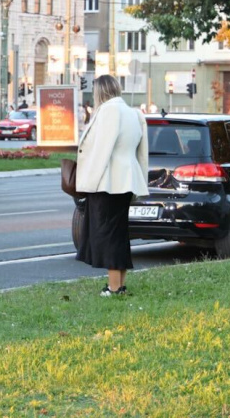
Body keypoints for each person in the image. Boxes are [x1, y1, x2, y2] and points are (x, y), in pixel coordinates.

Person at [75, 74, 149, 296]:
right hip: (126, 180)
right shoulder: (134, 113)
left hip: (107, 182)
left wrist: (88, 183)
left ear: (100, 92)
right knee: (118, 234)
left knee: (107, 235)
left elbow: (101, 151)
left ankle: (114, 287)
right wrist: (141, 182)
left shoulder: (108, 111)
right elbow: (142, 154)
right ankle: (120, 285)